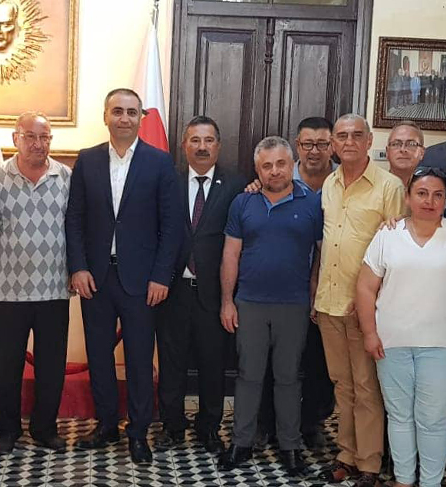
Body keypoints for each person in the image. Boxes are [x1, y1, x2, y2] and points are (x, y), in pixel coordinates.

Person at [65, 88, 181, 465]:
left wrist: (162, 276)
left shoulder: (159, 162)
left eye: (132, 112)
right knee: (99, 356)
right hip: (96, 278)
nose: (124, 118)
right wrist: (78, 266)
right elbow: (74, 218)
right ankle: (106, 425)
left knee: (139, 359)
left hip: (142, 281)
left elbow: (171, 226)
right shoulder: (88, 160)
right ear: (106, 116)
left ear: (141, 118)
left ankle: (139, 432)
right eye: (117, 111)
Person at [218, 137, 322, 476]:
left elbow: (322, 253)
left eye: (280, 164)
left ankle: (290, 446)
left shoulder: (313, 203)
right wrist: (227, 301)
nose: (274, 171)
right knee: (248, 375)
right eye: (266, 165)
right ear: (257, 169)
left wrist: (315, 293)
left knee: (288, 378)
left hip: (294, 305)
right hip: (250, 304)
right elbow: (230, 254)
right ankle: (241, 442)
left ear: (292, 164)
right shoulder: (243, 203)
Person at [315, 114, 404, 487]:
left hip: (364, 307)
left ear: (369, 141)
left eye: (356, 135)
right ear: (333, 144)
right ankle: (346, 455)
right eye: (342, 136)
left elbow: (398, 252)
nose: (348, 141)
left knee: (367, 387)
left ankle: (369, 463)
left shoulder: (389, 186)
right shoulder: (329, 183)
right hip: (328, 302)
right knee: (343, 385)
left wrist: (373, 301)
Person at [154, 115, 245, 453]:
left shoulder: (237, 186)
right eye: (195, 140)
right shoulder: (168, 181)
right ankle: (172, 426)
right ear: (184, 146)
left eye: (208, 140)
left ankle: (209, 428)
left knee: (212, 364)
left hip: (215, 292)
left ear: (218, 146)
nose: (202, 147)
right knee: (172, 363)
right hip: (172, 290)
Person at [357, 166, 446, 487]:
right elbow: (365, 288)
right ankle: (404, 480)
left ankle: (431, 482)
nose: (429, 201)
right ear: (407, 198)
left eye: (438, 195)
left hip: (439, 346)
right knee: (399, 417)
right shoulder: (388, 236)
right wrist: (369, 333)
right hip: (391, 343)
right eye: (422, 193)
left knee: (433, 420)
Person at [0, 112, 71, 454]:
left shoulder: (65, 177)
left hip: (54, 287)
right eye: (31, 136)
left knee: (52, 366)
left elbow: (76, 228)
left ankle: (45, 428)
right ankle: (6, 430)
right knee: (6, 366)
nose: (39, 144)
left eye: (45, 137)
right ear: (16, 138)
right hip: (7, 289)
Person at [255, 117, 337, 450]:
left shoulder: (343, 182)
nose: (314, 151)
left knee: (319, 360)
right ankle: (265, 423)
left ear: (332, 146)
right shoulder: (278, 178)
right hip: (282, 288)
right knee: (270, 360)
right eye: (307, 144)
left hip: (328, 288)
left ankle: (311, 423)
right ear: (297, 146)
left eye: (322, 144)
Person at [386, 120, 425, 187]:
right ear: (387, 152)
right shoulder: (373, 188)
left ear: (422, 153)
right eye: (396, 144)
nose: (403, 149)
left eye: (411, 144)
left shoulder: (431, 189)